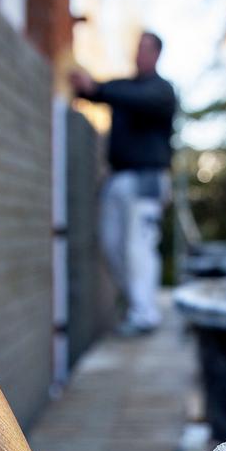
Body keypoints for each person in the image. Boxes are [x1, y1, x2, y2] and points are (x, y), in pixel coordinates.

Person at [70, 32, 177, 336]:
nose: (138, 54)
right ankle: (136, 303)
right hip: (117, 179)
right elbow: (104, 92)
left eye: (145, 49)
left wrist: (100, 89)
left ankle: (145, 315)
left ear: (156, 54)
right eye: (137, 48)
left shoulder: (161, 91)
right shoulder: (124, 88)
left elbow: (129, 97)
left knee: (138, 248)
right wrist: (89, 88)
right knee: (111, 244)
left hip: (147, 180)